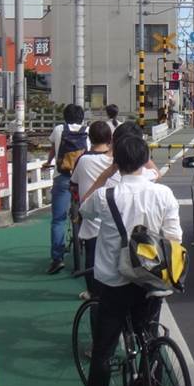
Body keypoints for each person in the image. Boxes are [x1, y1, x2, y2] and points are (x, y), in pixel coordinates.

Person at [65, 135, 182, 386]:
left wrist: (105, 176)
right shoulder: (164, 194)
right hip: (153, 283)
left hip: (114, 283)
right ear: (146, 160)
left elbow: (83, 211)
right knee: (150, 340)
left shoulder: (106, 196)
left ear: (117, 162)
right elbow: (174, 237)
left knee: (104, 352)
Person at [69, 121, 114, 299]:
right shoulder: (115, 161)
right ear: (109, 139)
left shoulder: (83, 160)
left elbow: (73, 183)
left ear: (89, 138)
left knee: (91, 255)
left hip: (91, 217)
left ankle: (92, 292)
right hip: (113, 218)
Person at [44, 104, 89, 275]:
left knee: (58, 220)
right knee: (88, 214)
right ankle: (87, 246)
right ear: (81, 117)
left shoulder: (58, 129)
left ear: (65, 117)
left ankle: (57, 259)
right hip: (82, 179)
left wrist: (48, 162)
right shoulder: (88, 130)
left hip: (62, 178)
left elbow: (53, 150)